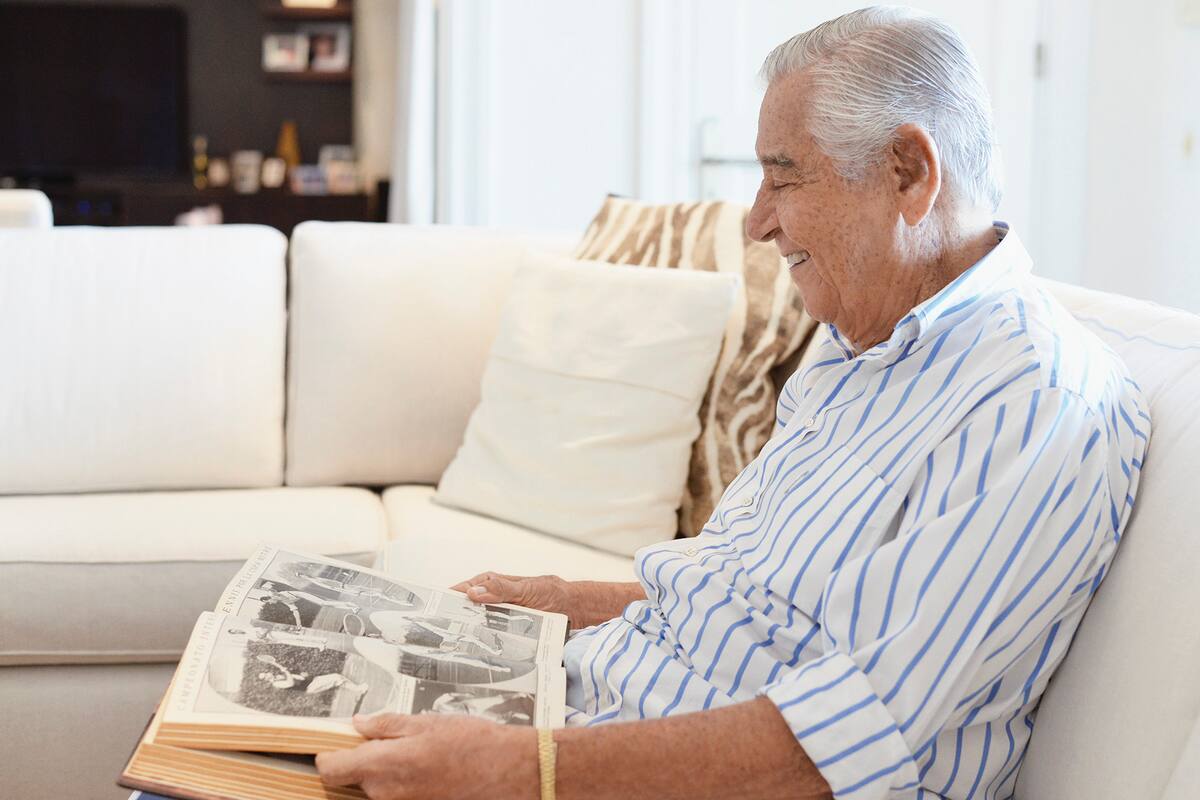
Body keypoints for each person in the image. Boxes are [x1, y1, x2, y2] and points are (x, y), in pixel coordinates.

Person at [315, 7, 1150, 799]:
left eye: (782, 180)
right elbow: (749, 600)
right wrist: (569, 601)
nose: (757, 223)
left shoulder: (1034, 402)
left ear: (909, 172)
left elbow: (844, 742)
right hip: (593, 722)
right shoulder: (860, 343)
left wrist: (516, 772)